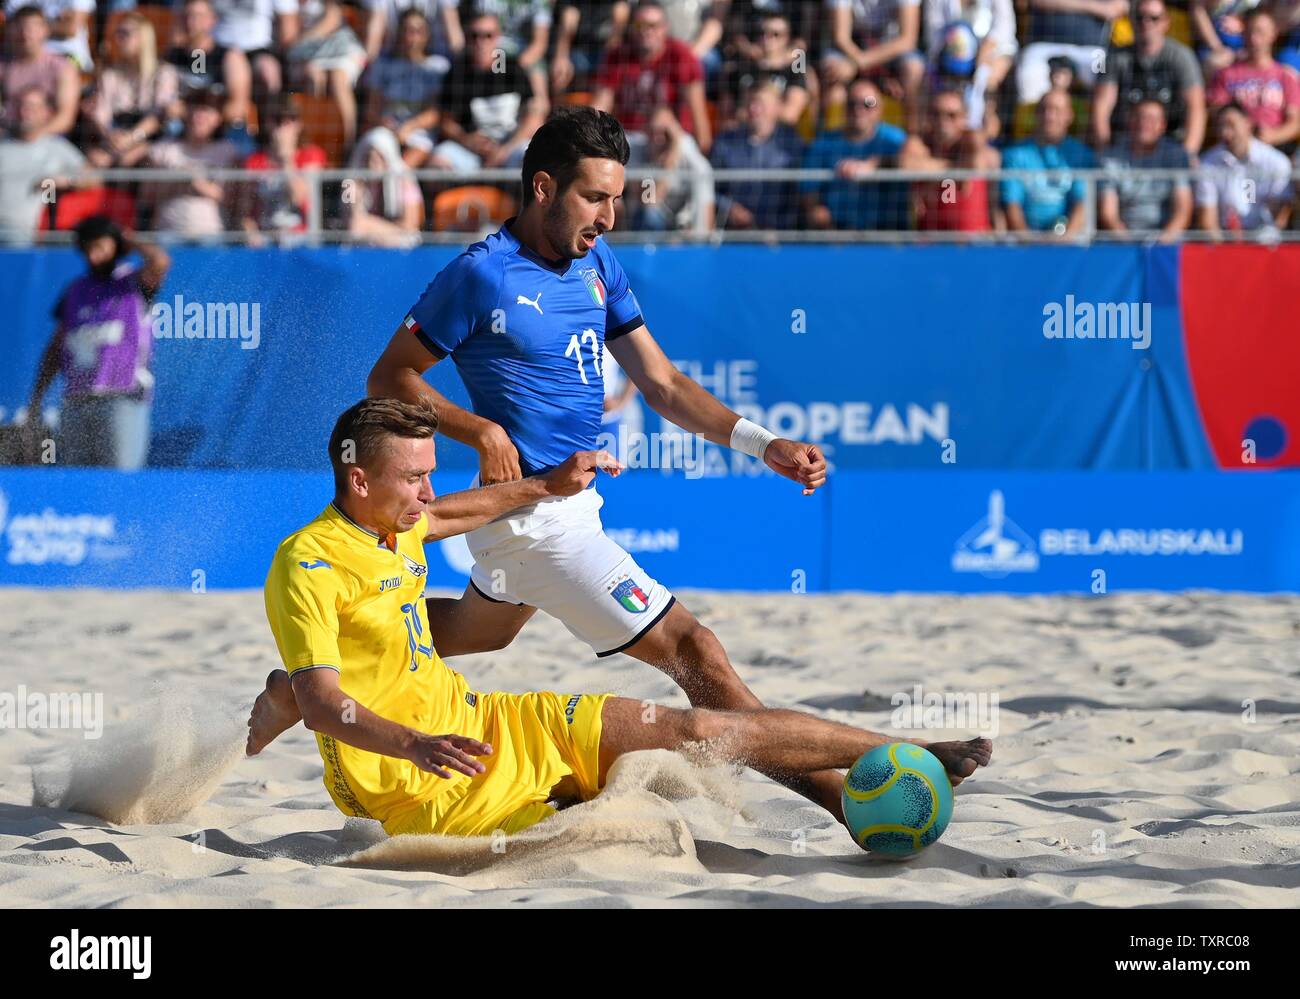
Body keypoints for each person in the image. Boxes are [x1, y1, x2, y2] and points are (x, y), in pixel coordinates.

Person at [248, 105, 865, 825]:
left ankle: (310, 676)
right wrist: (480, 430)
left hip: (565, 502)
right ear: (543, 186)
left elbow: (664, 385)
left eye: (616, 198)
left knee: (484, 631)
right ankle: (845, 800)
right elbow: (389, 378)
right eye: (595, 197)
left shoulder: (597, 262)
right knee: (696, 651)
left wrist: (764, 444)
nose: (610, 216)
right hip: (533, 518)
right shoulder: (481, 275)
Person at [248, 396, 993, 838]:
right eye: (413, 475)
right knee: (626, 815)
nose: (427, 488)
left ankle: (905, 748)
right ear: (356, 478)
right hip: (430, 779)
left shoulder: (400, 517)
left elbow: (461, 509)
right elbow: (321, 702)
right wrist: (412, 742)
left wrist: (549, 484)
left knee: (695, 727)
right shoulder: (305, 563)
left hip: (496, 720)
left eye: (428, 471)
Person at [27, 216, 171, 470]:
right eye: (89, 248)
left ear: (116, 246)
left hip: (122, 398)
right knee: (76, 480)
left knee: (120, 479)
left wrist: (130, 240)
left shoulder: (133, 283)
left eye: (102, 246)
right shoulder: (75, 291)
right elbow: (56, 347)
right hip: (77, 401)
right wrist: (38, 395)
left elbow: (160, 262)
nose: (95, 256)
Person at [433, 10, 546, 171]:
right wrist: (466, 140)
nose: (481, 42)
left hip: (510, 147)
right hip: (471, 151)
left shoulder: (513, 68)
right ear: (467, 38)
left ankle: (516, 197)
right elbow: (446, 122)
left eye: (488, 35)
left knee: (534, 157)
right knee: (439, 160)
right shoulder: (458, 72)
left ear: (498, 37)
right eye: (474, 36)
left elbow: (534, 117)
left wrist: (505, 150)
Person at [593, 0, 711, 153]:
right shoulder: (618, 56)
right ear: (631, 28)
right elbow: (601, 106)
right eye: (639, 26)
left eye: (653, 26)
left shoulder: (681, 55)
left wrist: (703, 147)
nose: (646, 31)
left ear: (665, 28)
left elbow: (698, 112)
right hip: (630, 138)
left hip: (673, 138)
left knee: (699, 170)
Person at [1091, 0, 1205, 155]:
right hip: (1125, 149)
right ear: (1131, 21)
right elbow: (1101, 107)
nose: (1146, 23)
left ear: (1166, 22)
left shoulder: (1182, 57)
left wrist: (1187, 155)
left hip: (1171, 146)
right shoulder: (1114, 57)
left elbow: (1196, 108)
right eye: (1140, 17)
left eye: (1154, 18)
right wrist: (1105, 151)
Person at [801, 77, 909, 231]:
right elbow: (809, 192)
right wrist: (821, 217)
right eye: (852, 104)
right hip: (836, 232)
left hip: (886, 231)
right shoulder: (823, 144)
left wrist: (873, 165)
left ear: (880, 108)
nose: (859, 110)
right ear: (844, 108)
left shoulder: (895, 139)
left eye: (868, 103)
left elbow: (918, 161)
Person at [88, 11, 182, 168]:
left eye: (125, 33)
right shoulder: (110, 74)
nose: (119, 39)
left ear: (143, 38)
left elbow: (160, 116)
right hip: (116, 136)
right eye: (118, 33)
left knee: (131, 160)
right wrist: (110, 136)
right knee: (94, 161)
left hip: (151, 138)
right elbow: (101, 114)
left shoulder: (164, 73)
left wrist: (133, 138)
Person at [898, 84, 999, 232]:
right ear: (928, 116)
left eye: (951, 115)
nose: (943, 121)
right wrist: (952, 168)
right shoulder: (920, 144)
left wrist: (930, 171)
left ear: (964, 118)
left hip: (972, 244)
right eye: (936, 114)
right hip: (931, 242)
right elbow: (905, 165)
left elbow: (973, 165)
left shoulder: (970, 139)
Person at [709, 79, 802, 229]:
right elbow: (709, 187)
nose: (754, 109)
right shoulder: (725, 143)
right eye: (749, 103)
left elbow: (798, 197)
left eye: (760, 103)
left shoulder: (791, 145)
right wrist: (729, 208)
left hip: (779, 236)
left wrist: (778, 228)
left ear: (777, 106)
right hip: (733, 233)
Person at [1001, 89, 1094, 235]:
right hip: (1025, 243)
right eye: (1043, 109)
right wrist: (1028, 242)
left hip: (1068, 242)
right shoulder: (1015, 154)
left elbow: (1082, 203)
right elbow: (1012, 204)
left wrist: (1065, 241)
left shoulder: (1082, 155)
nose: (1049, 116)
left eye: (1056, 110)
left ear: (1069, 116)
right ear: (1035, 114)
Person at [0, 86, 85, 243]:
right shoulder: (3, 144)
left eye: (32, 106)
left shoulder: (57, 147)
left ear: (46, 112)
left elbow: (93, 177)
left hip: (19, 231)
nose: (24, 112)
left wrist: (63, 181)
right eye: (21, 106)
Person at [1097, 97, 1192, 239]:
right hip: (1122, 240)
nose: (1144, 123)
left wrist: (1162, 242)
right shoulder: (1110, 158)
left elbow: (1183, 210)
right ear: (1130, 122)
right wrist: (1128, 243)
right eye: (1139, 117)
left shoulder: (1176, 156)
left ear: (1162, 125)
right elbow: (1108, 214)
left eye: (1152, 119)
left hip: (1167, 239)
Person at [1195, 100, 1294, 234]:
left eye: (1231, 124)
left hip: (1267, 243)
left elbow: (1280, 217)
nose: (1225, 132)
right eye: (1220, 126)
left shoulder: (1277, 162)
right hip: (1225, 242)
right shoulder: (1208, 163)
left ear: (1248, 123)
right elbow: (1208, 220)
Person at [1206, 9, 1300, 148]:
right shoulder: (1226, 74)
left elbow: (1294, 122)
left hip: (1275, 149)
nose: (1254, 39)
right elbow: (1216, 113)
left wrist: (1274, 136)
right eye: (1249, 32)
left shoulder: (1285, 76)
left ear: (1273, 34)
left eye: (1260, 32)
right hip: (1233, 147)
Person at [0, 5, 80, 139]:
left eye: (33, 27)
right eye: (20, 27)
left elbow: (65, 118)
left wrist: (34, 135)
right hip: (8, 137)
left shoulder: (62, 68)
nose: (26, 33)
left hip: (50, 140)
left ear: (45, 30)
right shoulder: (4, 66)